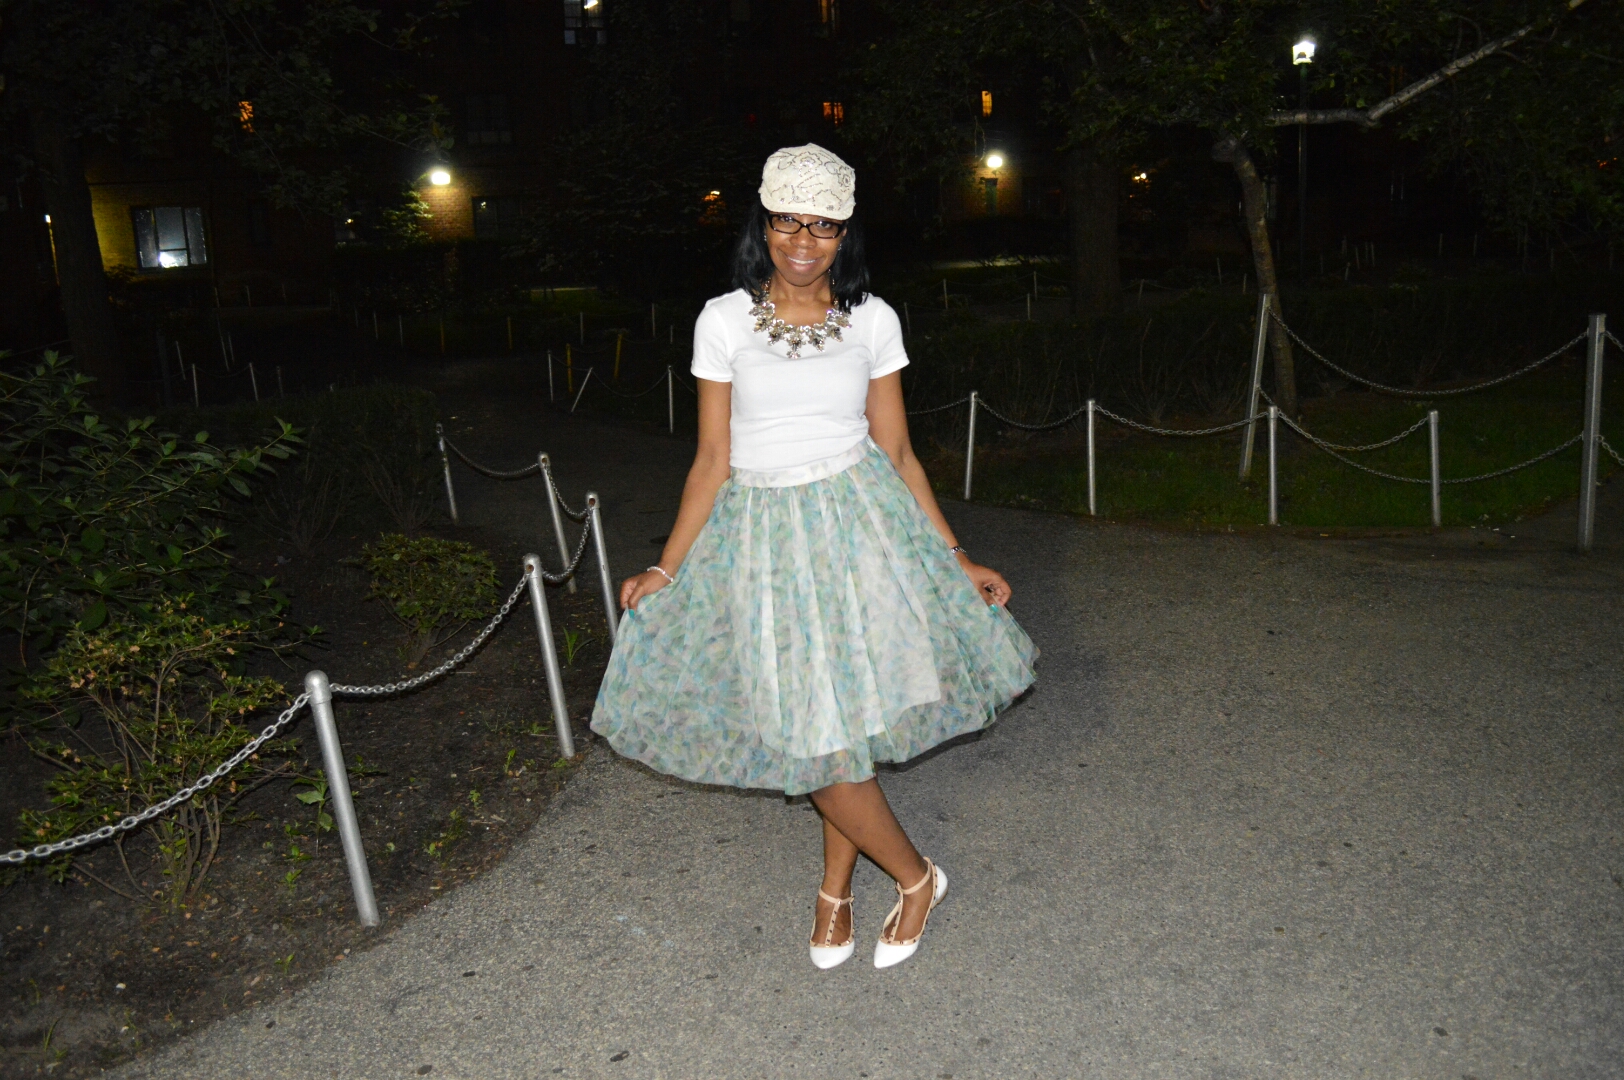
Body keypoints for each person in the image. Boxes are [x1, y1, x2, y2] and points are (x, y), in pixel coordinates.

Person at [591, 144, 1036, 970]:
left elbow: (897, 452)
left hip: (861, 532)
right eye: (788, 221)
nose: (804, 240)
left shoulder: (874, 320)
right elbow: (712, 459)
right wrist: (668, 568)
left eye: (823, 225)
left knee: (840, 726)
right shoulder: (723, 320)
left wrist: (955, 556)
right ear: (763, 225)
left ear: (844, 233)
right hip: (765, 544)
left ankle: (839, 890)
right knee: (807, 732)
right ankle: (916, 876)